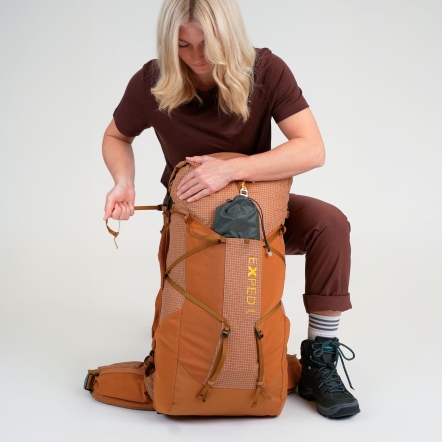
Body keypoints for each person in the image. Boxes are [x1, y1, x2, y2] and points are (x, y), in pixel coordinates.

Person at [102, 0, 359, 419]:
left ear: (230, 36)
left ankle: (320, 361)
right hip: (195, 220)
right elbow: (116, 136)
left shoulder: (266, 70)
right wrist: (123, 181)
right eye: (183, 45)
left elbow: (312, 149)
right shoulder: (154, 79)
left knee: (329, 224)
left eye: (208, 44)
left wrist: (231, 169)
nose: (196, 58)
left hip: (260, 212)